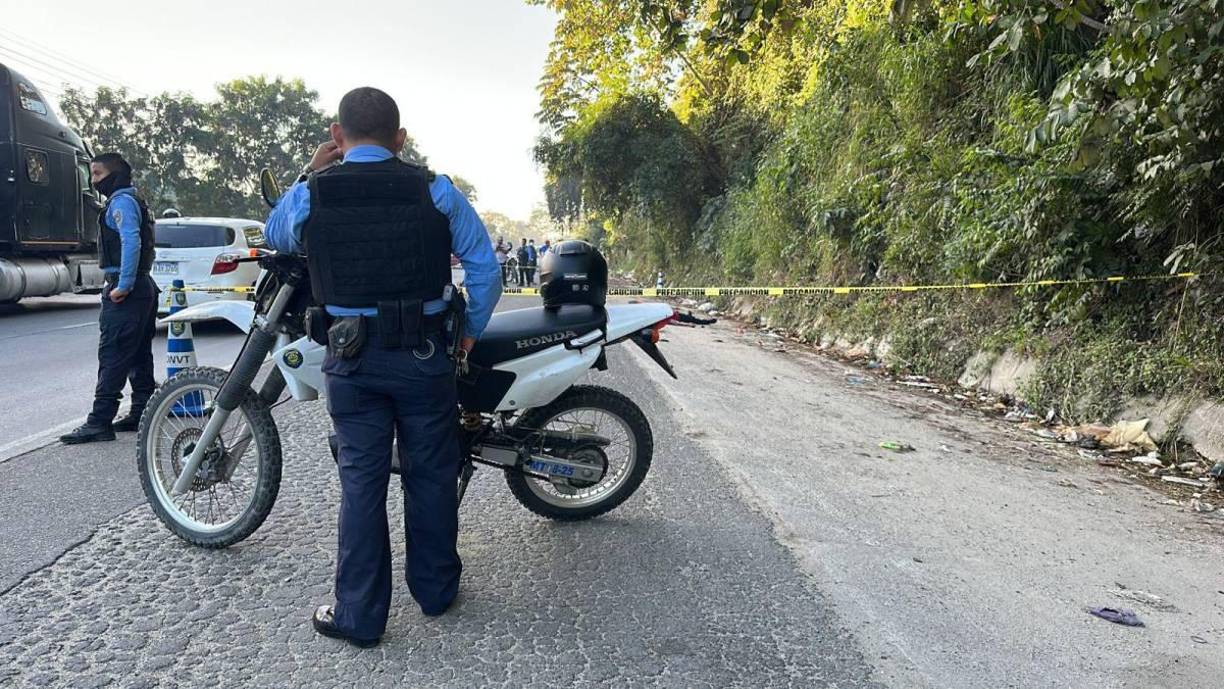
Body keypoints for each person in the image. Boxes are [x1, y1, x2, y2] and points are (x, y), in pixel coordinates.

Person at [262, 87, 501, 647]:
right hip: (424, 360)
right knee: (432, 476)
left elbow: (274, 235)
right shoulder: (437, 190)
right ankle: (437, 592)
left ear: (337, 137)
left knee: (362, 485)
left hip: (351, 361)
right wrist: (465, 338)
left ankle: (359, 617)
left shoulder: (312, 194)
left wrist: (309, 171)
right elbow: (484, 272)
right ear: (400, 139)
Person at [60, 153, 159, 444]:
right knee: (138, 354)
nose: (93, 181)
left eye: (98, 174)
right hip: (142, 287)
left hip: (127, 288)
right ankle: (142, 410)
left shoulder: (122, 203)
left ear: (115, 175)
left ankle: (99, 421)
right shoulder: (132, 201)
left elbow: (131, 241)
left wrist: (123, 285)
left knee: (113, 354)